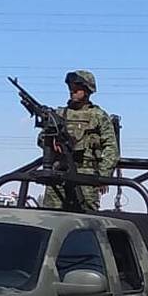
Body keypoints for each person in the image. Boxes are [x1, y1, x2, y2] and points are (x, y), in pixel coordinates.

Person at [42, 70, 119, 211]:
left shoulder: (98, 116)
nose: (72, 90)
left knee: (86, 218)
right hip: (60, 172)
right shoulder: (59, 114)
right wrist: (51, 141)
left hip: (87, 176)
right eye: (71, 87)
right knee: (50, 215)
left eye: (77, 87)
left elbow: (111, 148)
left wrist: (103, 176)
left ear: (87, 90)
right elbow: (42, 138)